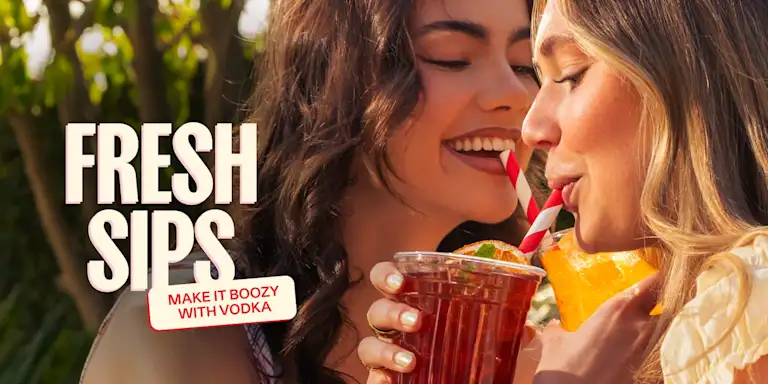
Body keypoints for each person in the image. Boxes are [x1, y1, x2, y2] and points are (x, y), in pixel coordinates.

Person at [78, 0, 547, 383]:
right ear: (337, 81)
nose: (517, 93)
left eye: (525, 65)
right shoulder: (187, 319)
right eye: (453, 56)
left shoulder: (503, 348)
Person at [359, 0, 768, 383]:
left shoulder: (746, 312)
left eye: (570, 75)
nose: (531, 128)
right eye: (451, 58)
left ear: (689, 82)